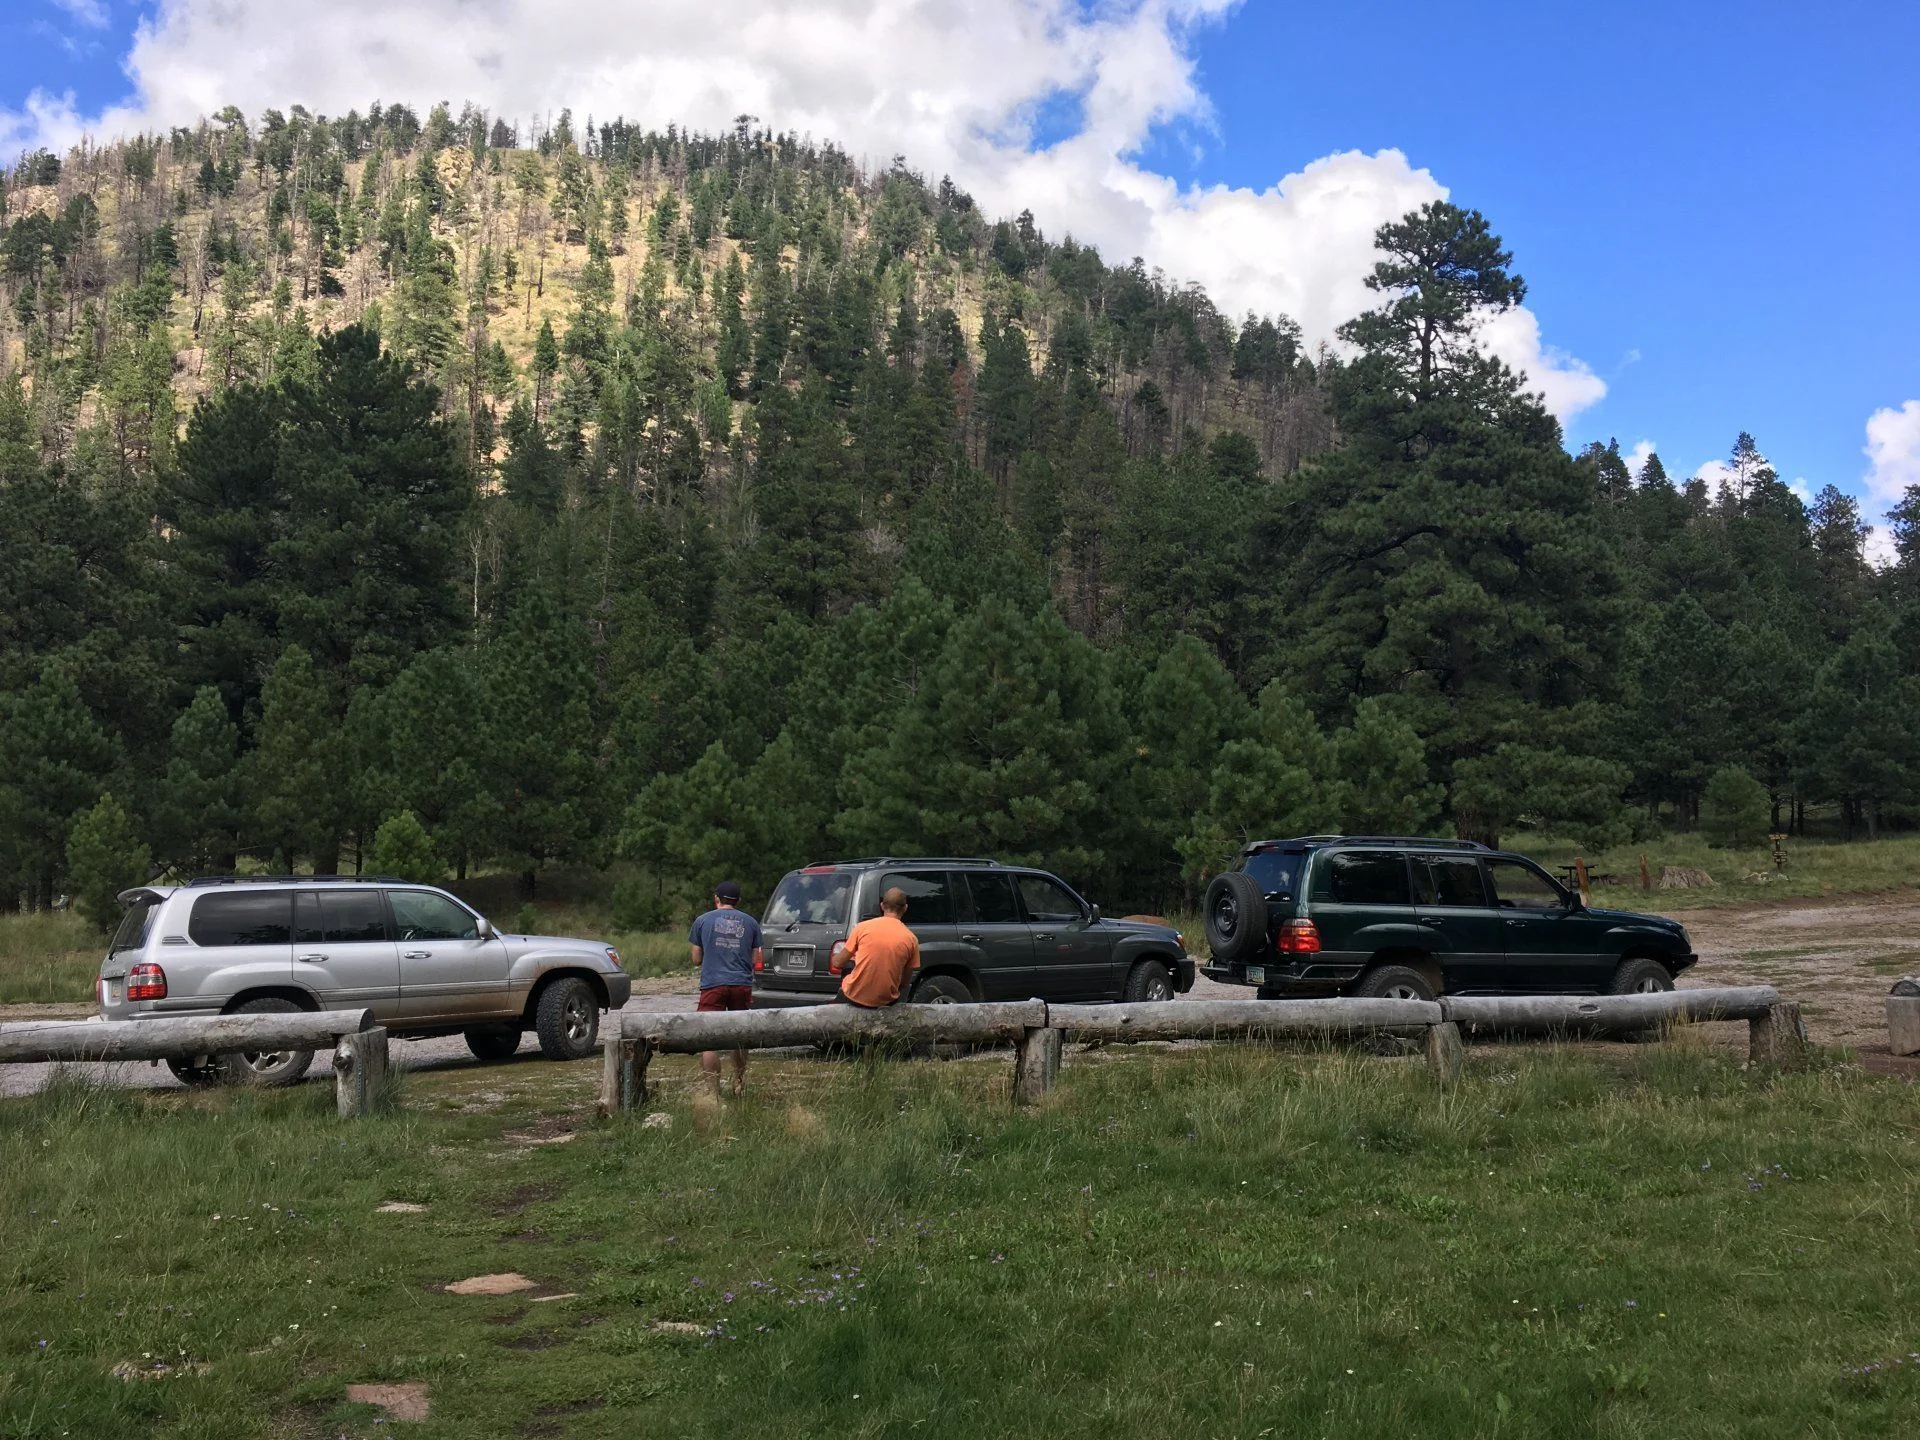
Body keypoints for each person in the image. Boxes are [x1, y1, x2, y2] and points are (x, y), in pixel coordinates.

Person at [688, 880, 762, 1097]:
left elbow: (695, 958)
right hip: (741, 984)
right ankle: (738, 1082)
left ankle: (712, 1090)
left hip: (713, 984)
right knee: (739, 1034)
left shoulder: (702, 921)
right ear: (738, 901)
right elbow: (755, 958)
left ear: (716, 899)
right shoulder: (751, 923)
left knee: (709, 1038)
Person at [831, 887, 920, 1007]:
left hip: (854, 998)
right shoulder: (911, 938)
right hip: (887, 1000)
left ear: (882, 906)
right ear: (905, 908)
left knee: (849, 964)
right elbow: (905, 982)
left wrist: (837, 956)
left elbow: (837, 963)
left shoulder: (862, 927)